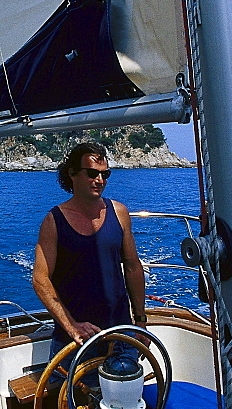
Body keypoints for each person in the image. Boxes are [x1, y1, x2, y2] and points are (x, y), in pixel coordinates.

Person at [32, 141, 147, 362]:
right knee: (70, 397)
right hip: (76, 340)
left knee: (127, 395)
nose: (100, 180)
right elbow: (40, 279)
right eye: (92, 173)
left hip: (121, 333)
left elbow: (132, 266)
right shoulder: (54, 221)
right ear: (73, 174)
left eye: (105, 174)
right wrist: (71, 325)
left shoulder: (119, 212)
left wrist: (140, 319)